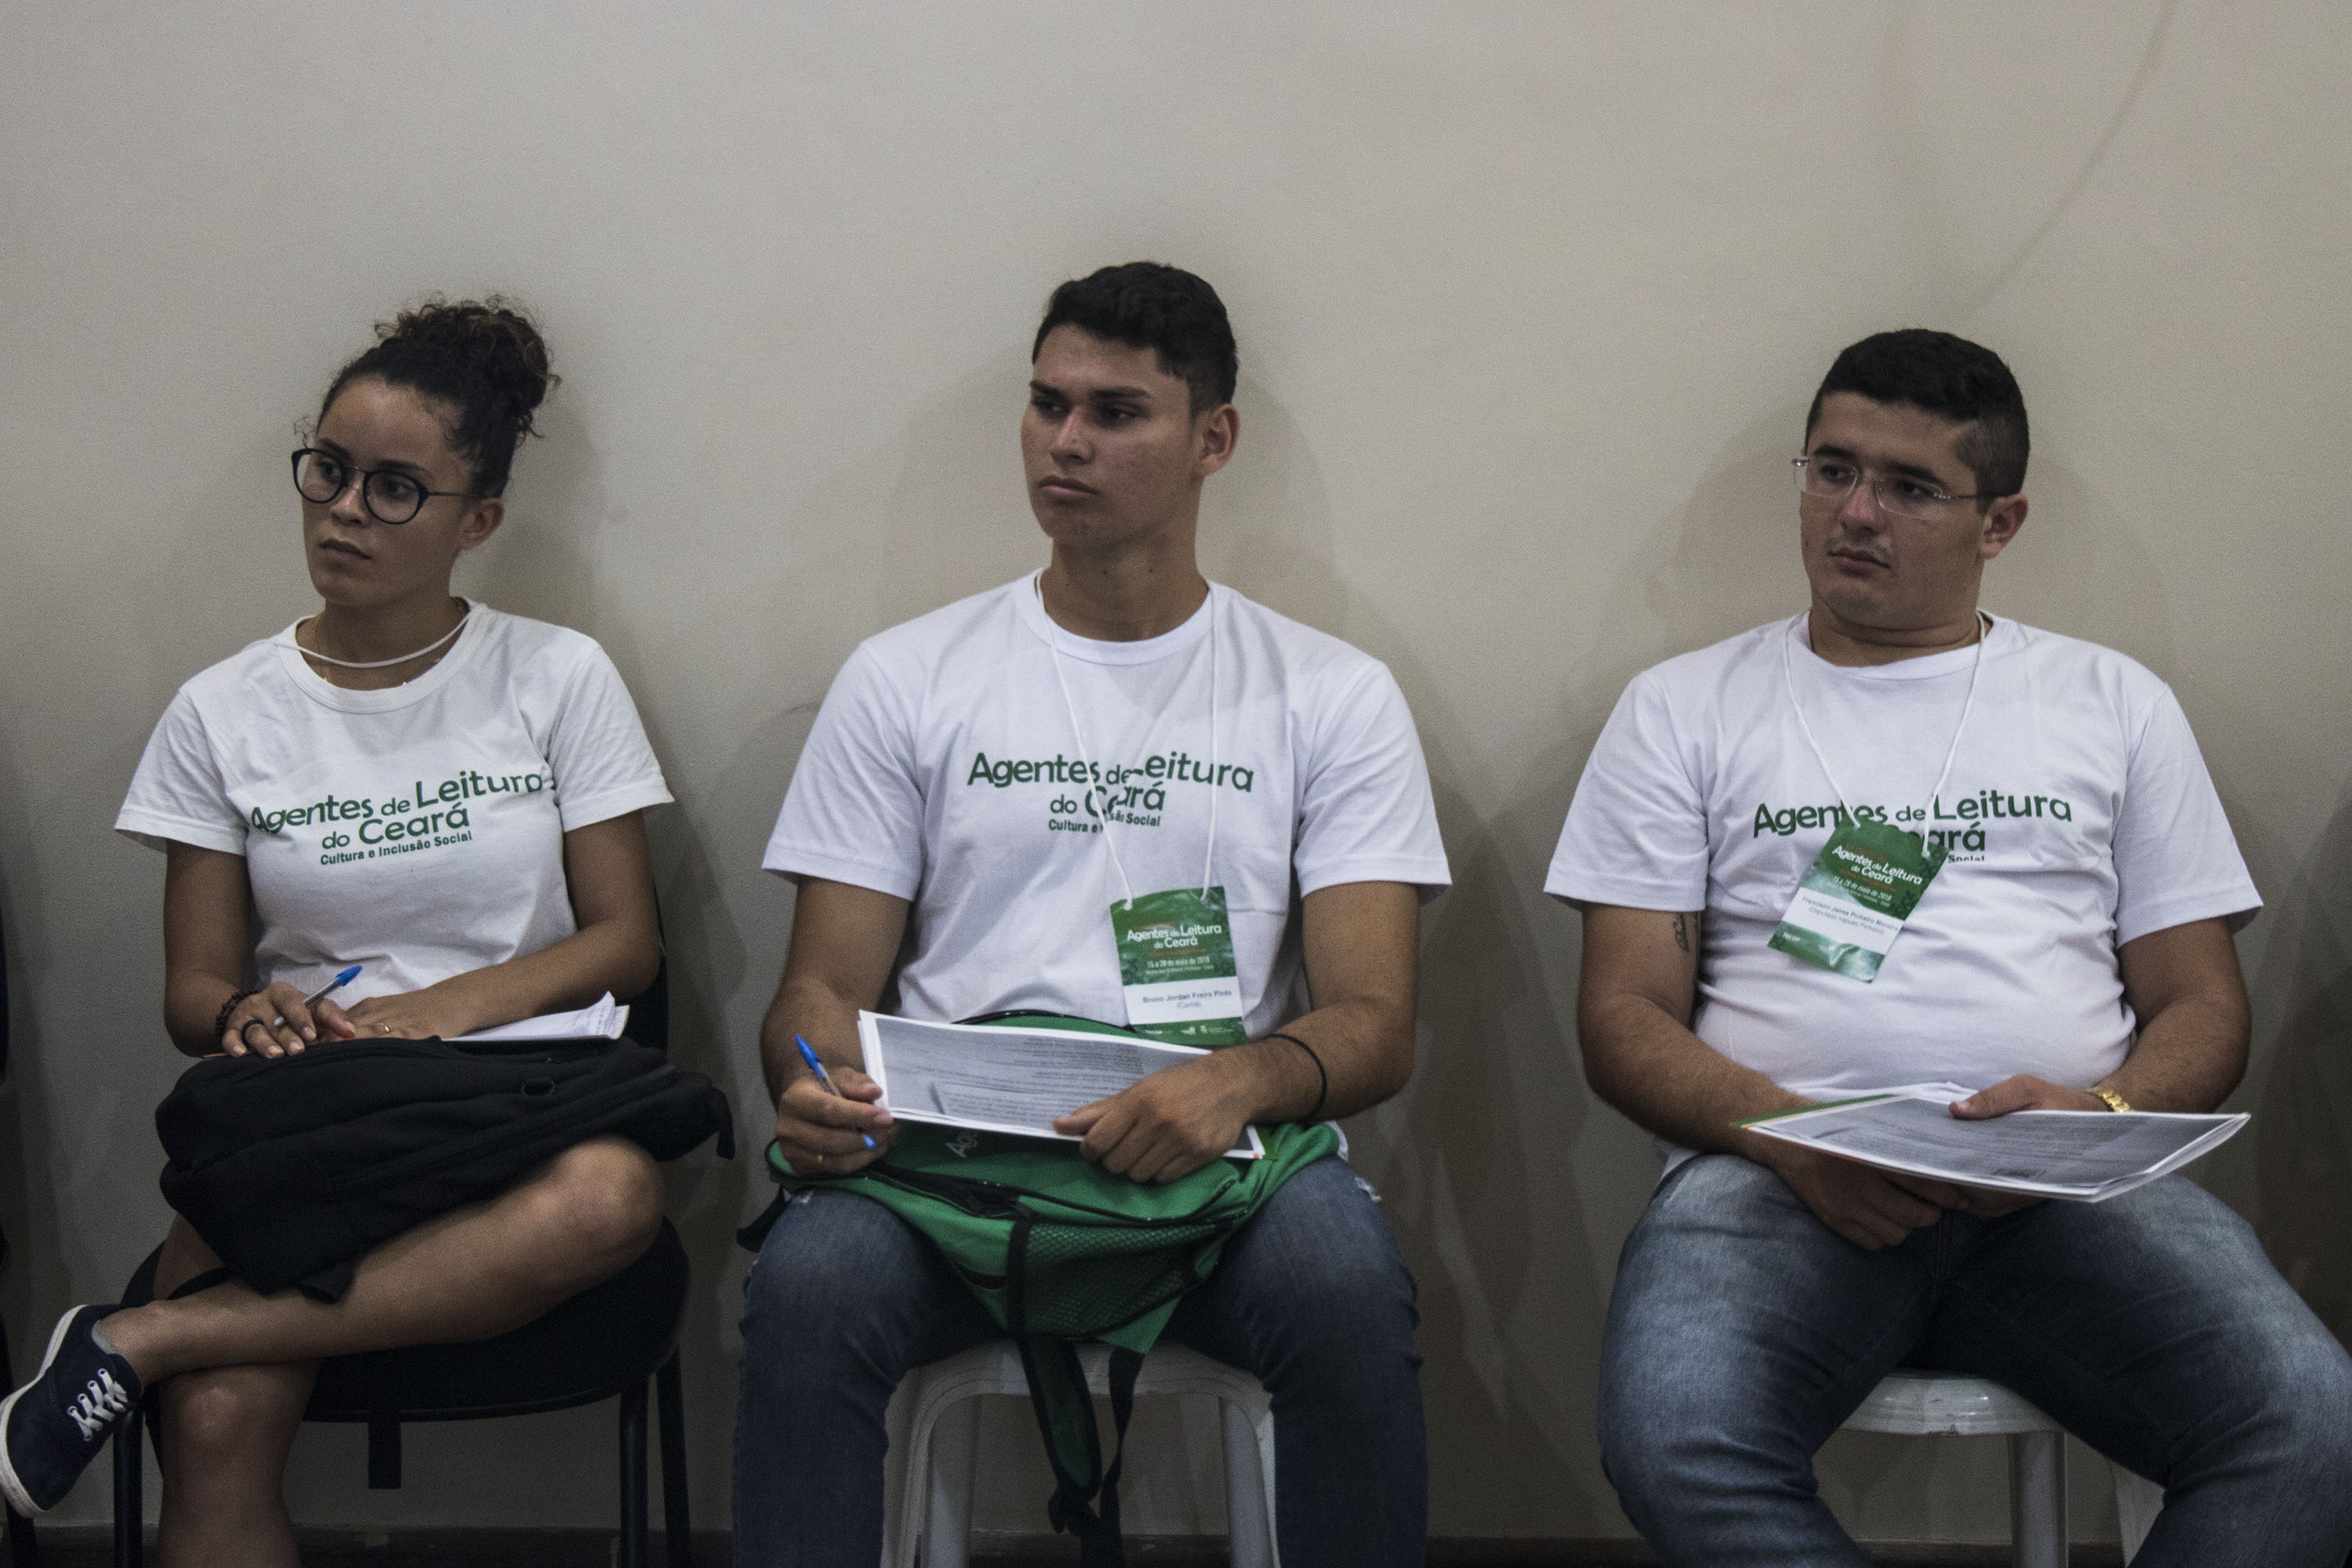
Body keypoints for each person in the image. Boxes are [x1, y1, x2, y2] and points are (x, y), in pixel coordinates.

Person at [1548, 328, 2352, 1565]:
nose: (1856, 513)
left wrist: (2099, 1115)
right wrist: (1789, 1134)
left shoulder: (2111, 702)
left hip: (2065, 1187)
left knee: (2315, 1427)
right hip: (1774, 1177)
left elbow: (2203, 1006)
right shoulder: (1683, 709)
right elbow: (1622, 1018)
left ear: (2000, 522)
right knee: (1674, 1439)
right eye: (1832, 470)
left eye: (1911, 487)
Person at [733, 262, 1450, 1565]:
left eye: (1117, 413)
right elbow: (820, 988)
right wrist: (814, 1081)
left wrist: (1237, 1081)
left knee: (1346, 1287)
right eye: (1048, 404)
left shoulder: (1330, 695)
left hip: (1218, 1152)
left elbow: (1376, 1021)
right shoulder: (908, 677)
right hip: (946, 1158)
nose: (1066, 442)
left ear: (1212, 441)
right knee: (808, 1286)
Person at [0, 300, 675, 1560]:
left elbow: (624, 941)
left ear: (478, 522)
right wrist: (241, 1010)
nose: (345, 510)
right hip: (315, 1111)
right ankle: (171, 1356)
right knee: (214, 1426)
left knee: (611, 1200)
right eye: (329, 469)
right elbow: (193, 993)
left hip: (515, 1101)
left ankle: (139, 1340)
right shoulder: (221, 711)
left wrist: (439, 1012)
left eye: (395, 487)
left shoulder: (557, 675)